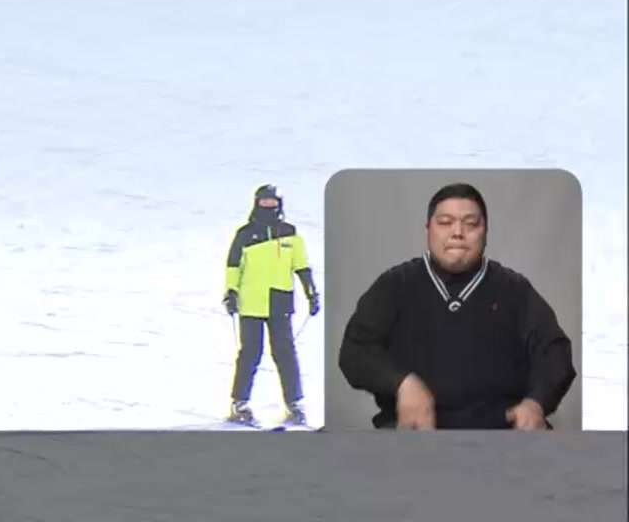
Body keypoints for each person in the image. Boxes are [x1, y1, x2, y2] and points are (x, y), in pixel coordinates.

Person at [337, 182, 577, 430]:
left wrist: (536, 404)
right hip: (415, 435)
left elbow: (555, 353)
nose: (458, 232)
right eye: (445, 222)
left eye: (471, 224)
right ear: (428, 230)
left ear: (485, 232)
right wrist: (402, 384)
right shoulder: (396, 284)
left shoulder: (514, 288)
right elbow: (355, 351)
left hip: (501, 435)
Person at [222, 185, 319, 426]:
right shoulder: (245, 234)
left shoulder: (290, 234)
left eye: (272, 202)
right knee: (250, 354)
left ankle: (295, 403)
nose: (268, 207)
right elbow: (233, 266)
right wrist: (231, 293)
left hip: (279, 301)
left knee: (285, 354)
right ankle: (239, 403)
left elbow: (301, 266)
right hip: (250, 303)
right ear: (256, 204)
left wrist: (311, 292)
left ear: (279, 205)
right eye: (264, 202)